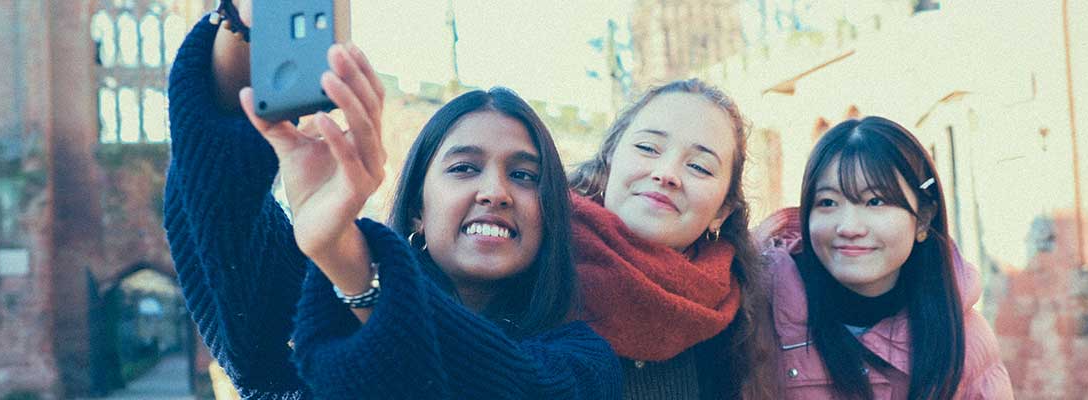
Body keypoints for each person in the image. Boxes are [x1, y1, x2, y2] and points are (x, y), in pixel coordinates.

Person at [164, 2, 618, 397]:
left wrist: (352, 264)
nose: (495, 192)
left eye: (523, 175)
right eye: (463, 168)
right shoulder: (321, 306)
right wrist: (245, 26)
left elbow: (513, 385)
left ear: (551, 214)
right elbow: (218, 217)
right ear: (418, 208)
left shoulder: (583, 364)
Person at [752, 116, 1013, 399]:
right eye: (828, 202)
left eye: (875, 201)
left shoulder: (962, 339)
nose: (849, 227)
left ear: (924, 219)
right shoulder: (756, 312)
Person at [564, 79, 779, 399]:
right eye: (648, 148)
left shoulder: (743, 320)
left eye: (699, 167)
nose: (666, 174)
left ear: (722, 210)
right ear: (609, 160)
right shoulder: (532, 266)